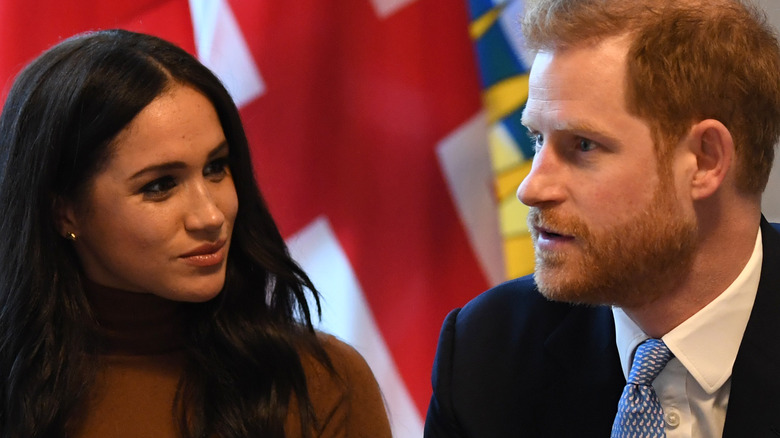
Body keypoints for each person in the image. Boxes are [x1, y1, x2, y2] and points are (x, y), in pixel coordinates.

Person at [0, 29, 391, 438]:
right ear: (63, 211)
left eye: (216, 168)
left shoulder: (320, 383)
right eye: (160, 185)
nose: (210, 216)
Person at [425, 0, 780, 436]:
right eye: (537, 139)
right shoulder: (487, 352)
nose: (531, 188)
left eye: (583, 146)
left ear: (705, 160)